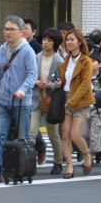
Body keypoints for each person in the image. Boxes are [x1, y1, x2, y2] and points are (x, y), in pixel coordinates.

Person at [0, 16, 38, 183]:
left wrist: (23, 89)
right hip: (3, 101)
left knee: (21, 138)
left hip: (22, 102)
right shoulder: (1, 51)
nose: (8, 32)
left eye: (12, 29)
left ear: (21, 31)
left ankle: (21, 169)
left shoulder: (27, 51)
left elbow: (32, 74)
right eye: (6, 29)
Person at [57, 30, 94, 178]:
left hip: (81, 100)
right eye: (67, 40)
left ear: (80, 42)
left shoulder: (86, 60)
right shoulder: (66, 60)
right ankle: (69, 167)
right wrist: (60, 83)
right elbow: (66, 81)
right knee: (65, 134)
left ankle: (86, 155)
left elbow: (85, 84)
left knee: (75, 135)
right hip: (66, 98)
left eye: (72, 40)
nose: (69, 43)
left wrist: (72, 101)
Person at [31, 28, 64, 174]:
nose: (45, 42)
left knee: (53, 134)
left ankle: (58, 161)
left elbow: (61, 82)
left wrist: (49, 84)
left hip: (50, 101)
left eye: (49, 40)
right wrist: (37, 82)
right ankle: (29, 162)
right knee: (31, 132)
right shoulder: (36, 57)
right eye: (44, 39)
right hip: (35, 99)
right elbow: (29, 76)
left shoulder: (59, 60)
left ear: (55, 43)